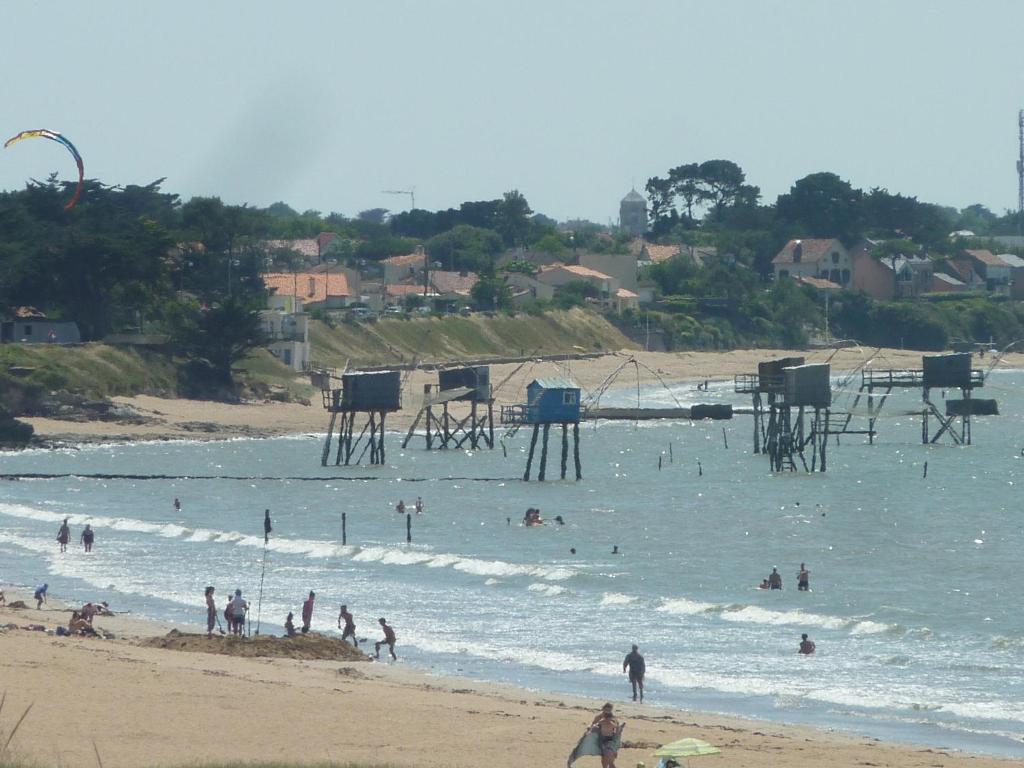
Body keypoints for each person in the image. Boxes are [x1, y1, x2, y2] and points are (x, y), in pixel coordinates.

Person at [589, 703, 621, 768]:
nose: (608, 711)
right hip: (601, 740)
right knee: (604, 760)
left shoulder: (613, 718)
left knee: (610, 760)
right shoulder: (599, 717)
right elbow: (593, 725)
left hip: (611, 740)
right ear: (603, 709)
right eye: (606, 709)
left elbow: (617, 729)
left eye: (610, 710)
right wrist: (590, 729)